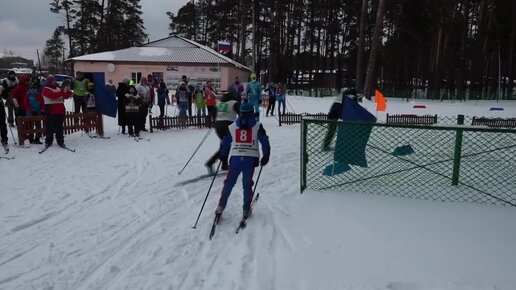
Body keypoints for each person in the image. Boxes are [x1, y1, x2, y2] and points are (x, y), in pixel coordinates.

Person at [214, 101, 271, 218]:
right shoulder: (257, 126)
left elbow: (225, 142)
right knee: (247, 184)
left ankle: (221, 206)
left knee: (229, 183)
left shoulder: (232, 126)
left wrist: (223, 154)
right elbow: (264, 141)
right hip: (250, 159)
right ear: (251, 113)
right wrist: (266, 155)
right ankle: (246, 208)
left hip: (235, 159)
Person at [205, 90, 241, 173]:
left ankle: (224, 164)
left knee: (225, 145)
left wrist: (214, 122)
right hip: (227, 125)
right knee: (226, 146)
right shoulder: (234, 103)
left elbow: (213, 113)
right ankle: (210, 162)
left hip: (218, 126)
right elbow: (241, 114)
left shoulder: (220, 103)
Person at [42, 75, 72, 148]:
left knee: (59, 127)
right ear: (49, 82)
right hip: (50, 109)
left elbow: (66, 96)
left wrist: (67, 91)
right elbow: (52, 96)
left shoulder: (58, 88)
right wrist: (62, 91)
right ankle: (48, 141)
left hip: (60, 110)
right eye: (53, 81)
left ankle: (60, 141)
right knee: (50, 127)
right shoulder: (46, 89)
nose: (55, 82)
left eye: (54, 81)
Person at [23, 76, 44, 144]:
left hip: (37, 111)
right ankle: (31, 138)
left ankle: (37, 138)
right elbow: (25, 103)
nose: (33, 89)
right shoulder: (27, 95)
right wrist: (29, 108)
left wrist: (42, 108)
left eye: (34, 88)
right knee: (30, 125)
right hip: (30, 111)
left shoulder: (39, 95)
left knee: (38, 125)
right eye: (32, 88)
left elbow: (42, 102)